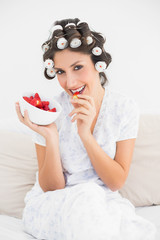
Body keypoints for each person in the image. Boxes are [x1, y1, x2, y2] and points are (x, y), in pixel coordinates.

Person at [15, 18, 156, 240]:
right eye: (60, 72)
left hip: (103, 203)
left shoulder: (123, 108)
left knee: (132, 228)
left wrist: (85, 135)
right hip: (52, 204)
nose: (70, 82)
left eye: (78, 67)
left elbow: (115, 182)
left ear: (98, 64)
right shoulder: (50, 111)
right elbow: (51, 188)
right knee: (88, 196)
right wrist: (51, 137)